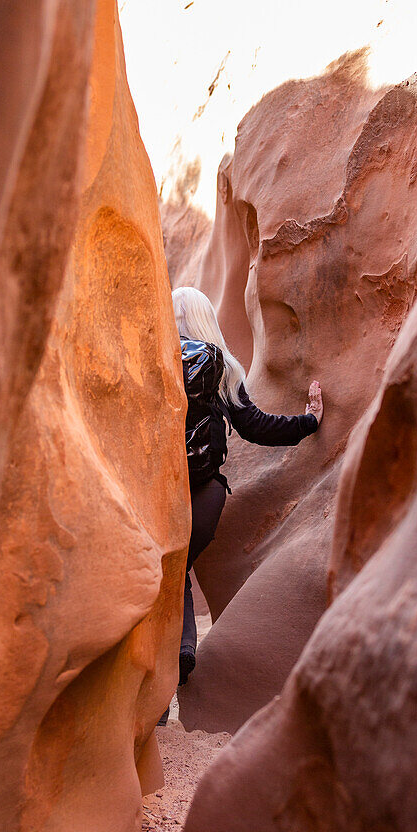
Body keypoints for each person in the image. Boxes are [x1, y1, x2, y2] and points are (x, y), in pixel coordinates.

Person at [172, 285, 323, 687]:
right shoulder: (224, 369)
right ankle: (185, 651)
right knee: (179, 568)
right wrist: (309, 421)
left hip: (166, 494)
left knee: (168, 573)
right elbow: (257, 428)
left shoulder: (158, 364)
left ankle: (174, 661)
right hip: (208, 496)